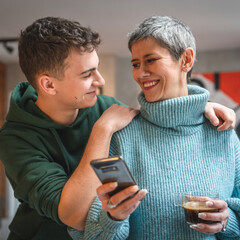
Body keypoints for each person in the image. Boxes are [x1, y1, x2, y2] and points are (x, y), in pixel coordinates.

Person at [0, 17, 235, 240]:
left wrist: (200, 105)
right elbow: (74, 216)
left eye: (97, 68)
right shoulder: (15, 139)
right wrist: (102, 130)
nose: (100, 81)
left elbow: (159, 114)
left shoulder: (104, 106)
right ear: (49, 84)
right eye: (87, 74)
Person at [68, 16, 240, 240]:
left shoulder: (223, 134)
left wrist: (228, 221)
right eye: (136, 64)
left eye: (150, 60)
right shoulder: (122, 137)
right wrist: (113, 219)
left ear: (186, 60)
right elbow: (91, 235)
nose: (140, 73)